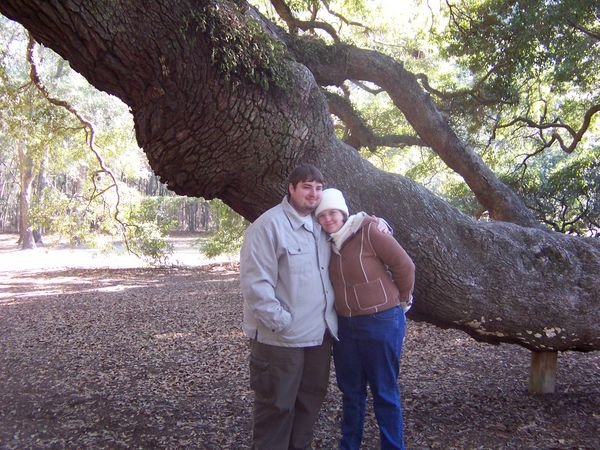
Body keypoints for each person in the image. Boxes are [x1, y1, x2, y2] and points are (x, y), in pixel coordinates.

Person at [239, 164, 338, 450]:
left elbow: (357, 227)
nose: (314, 194)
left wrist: (377, 223)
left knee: (309, 406)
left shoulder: (323, 225)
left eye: (319, 188)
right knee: (277, 409)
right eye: (307, 187)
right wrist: (282, 322)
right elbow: (256, 285)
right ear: (291, 188)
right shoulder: (268, 226)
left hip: (318, 339)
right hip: (280, 341)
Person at [315, 188, 415, 450]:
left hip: (381, 322)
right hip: (345, 327)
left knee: (384, 392)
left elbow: (405, 265)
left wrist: (403, 300)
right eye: (322, 215)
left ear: (343, 211)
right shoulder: (323, 242)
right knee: (351, 394)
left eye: (333, 212)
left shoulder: (369, 230)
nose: (328, 219)